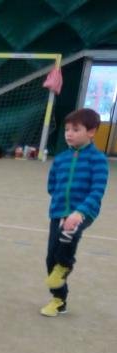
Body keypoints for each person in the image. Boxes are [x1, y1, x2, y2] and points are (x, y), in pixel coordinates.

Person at [41, 107, 109, 317]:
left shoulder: (97, 160)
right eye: (67, 129)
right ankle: (59, 300)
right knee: (51, 258)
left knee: (67, 238)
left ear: (91, 132)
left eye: (76, 129)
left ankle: (65, 265)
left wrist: (79, 212)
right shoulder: (61, 158)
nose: (69, 134)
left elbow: (97, 191)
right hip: (59, 212)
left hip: (84, 212)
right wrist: (61, 207)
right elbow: (52, 186)